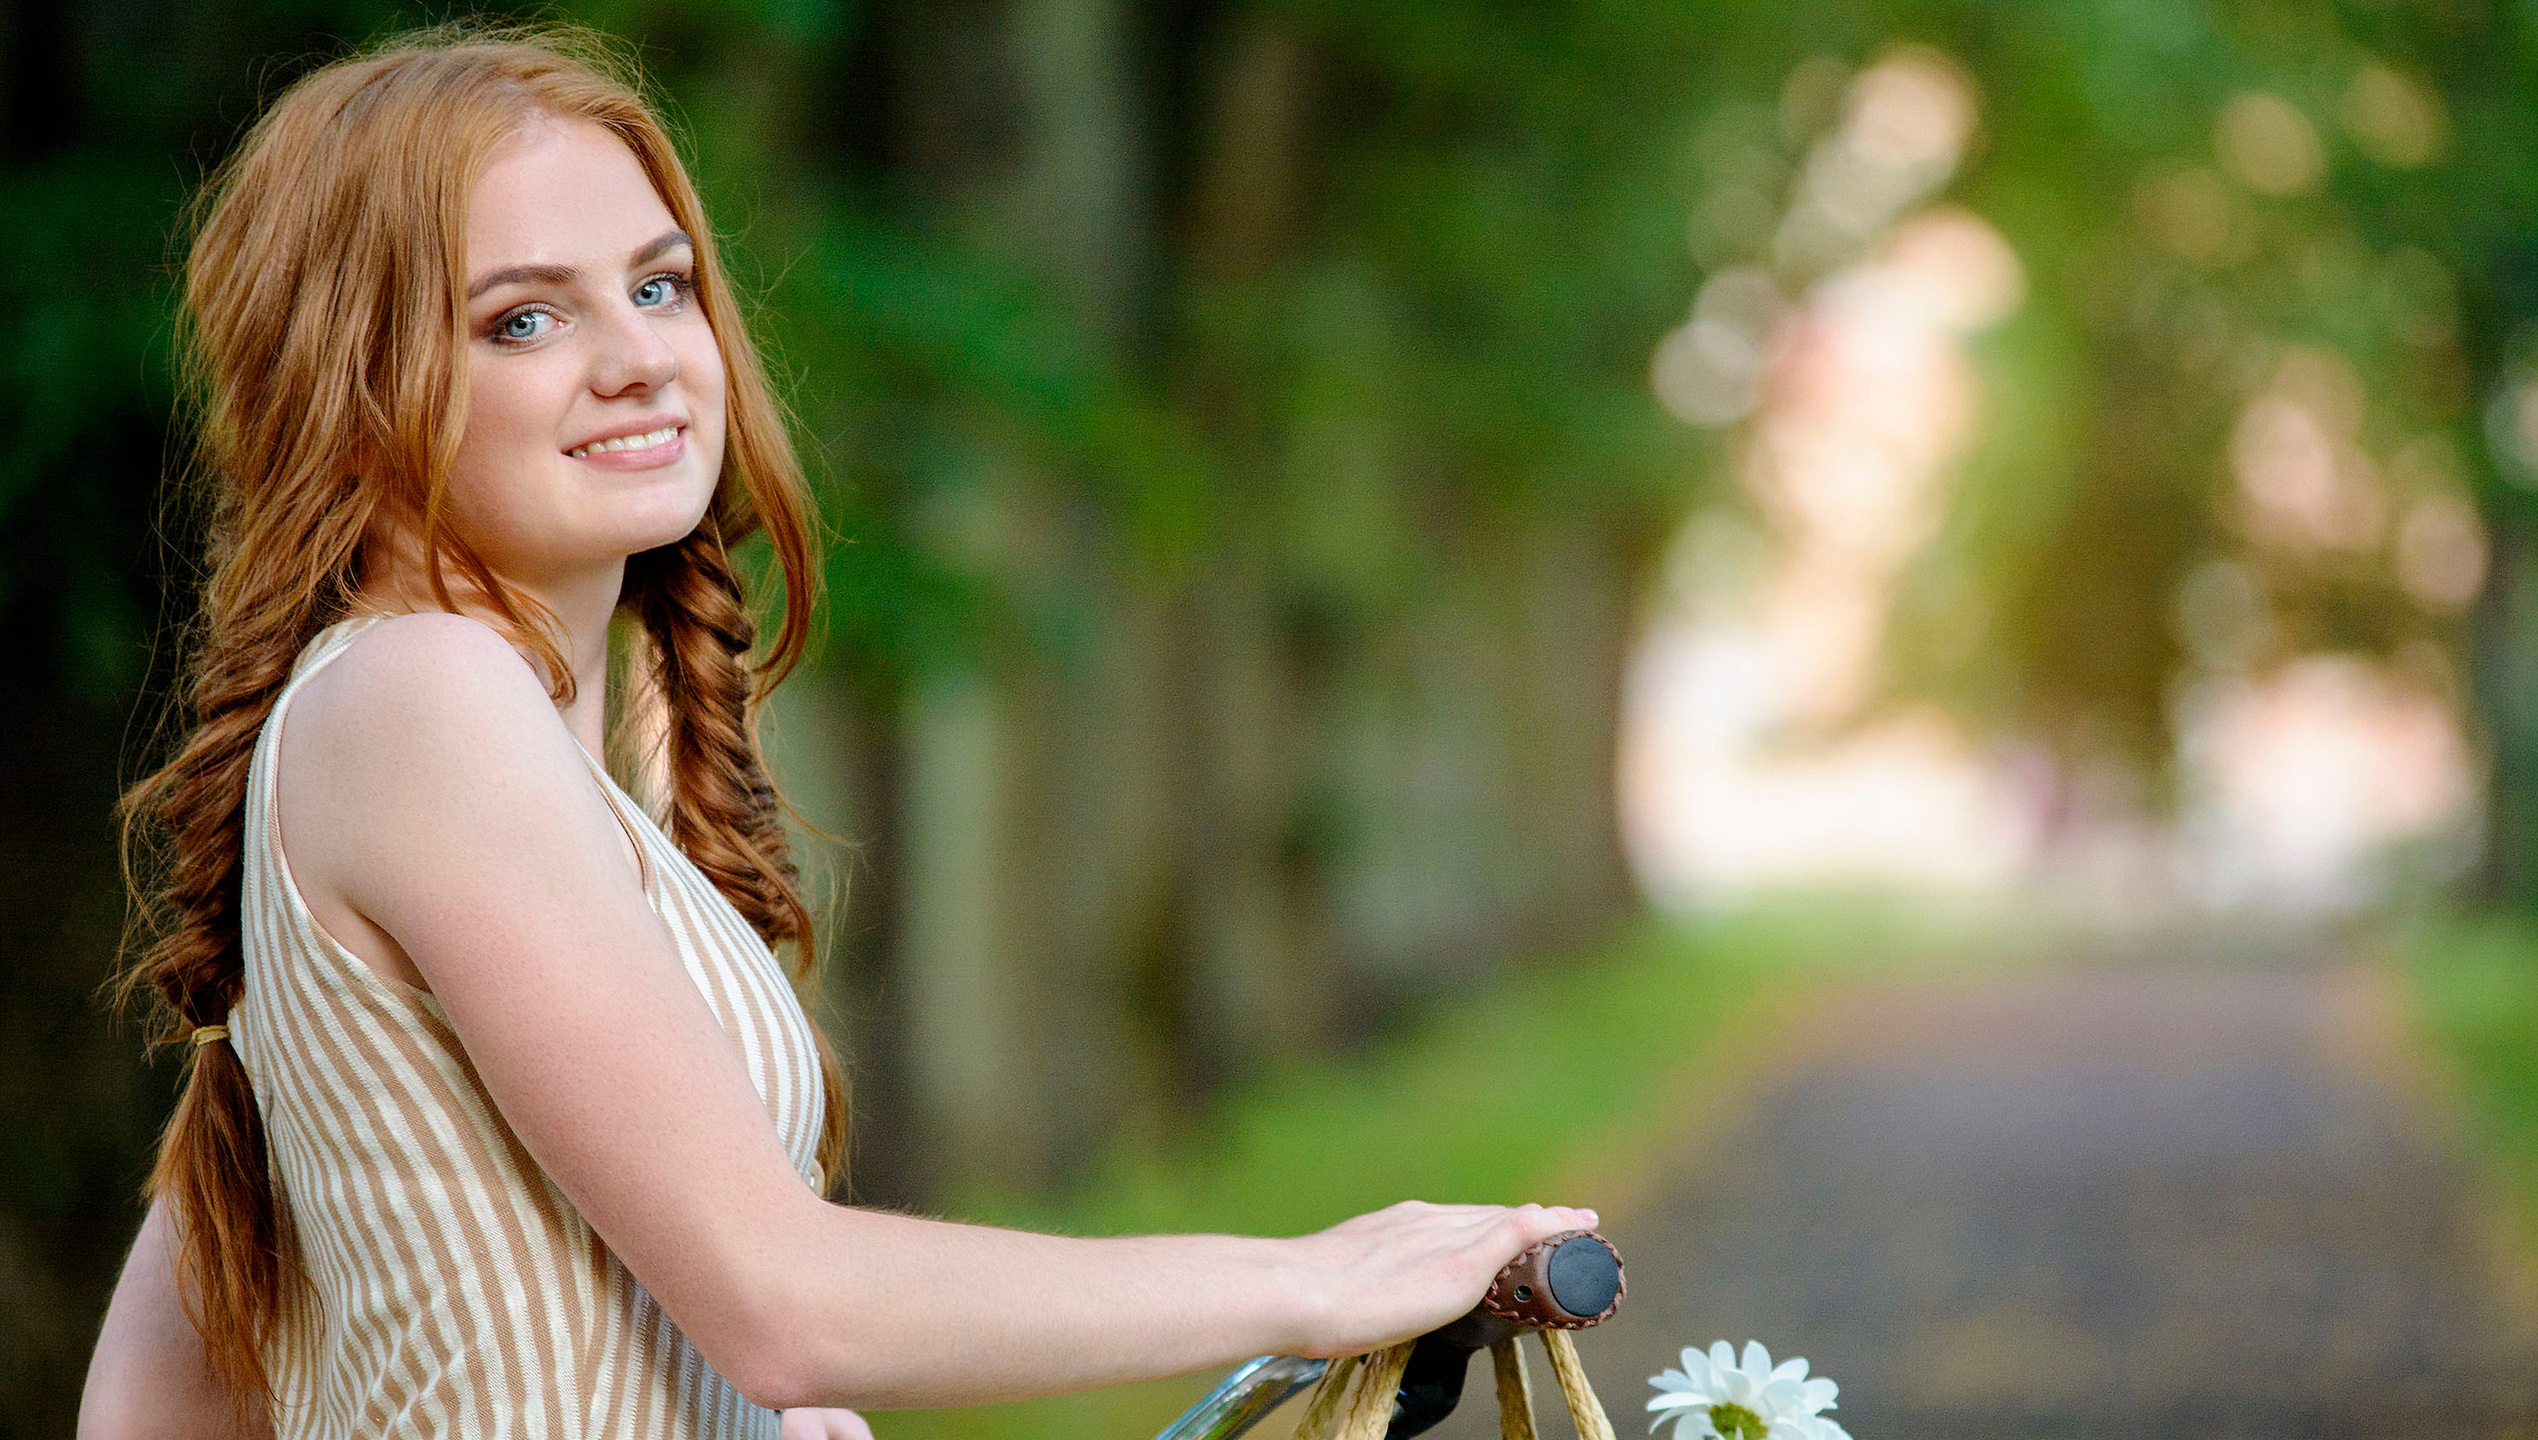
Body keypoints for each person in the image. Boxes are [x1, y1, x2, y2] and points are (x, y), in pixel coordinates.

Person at [76, 26, 1595, 1440]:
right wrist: (1311, 1279)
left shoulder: (448, 742)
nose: (638, 356)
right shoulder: (425, 701)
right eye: (523, 318)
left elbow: (153, 1406)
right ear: (349, 387)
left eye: (661, 286)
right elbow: (785, 1304)